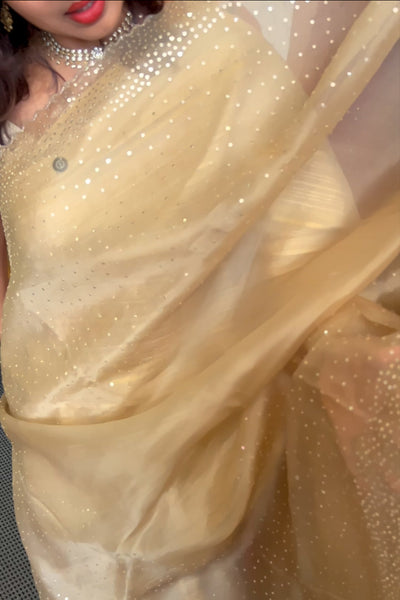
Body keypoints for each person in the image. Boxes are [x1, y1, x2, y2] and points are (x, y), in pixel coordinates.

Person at [0, 1, 399, 598]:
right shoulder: (6, 108)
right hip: (83, 483)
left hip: (230, 438)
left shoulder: (213, 38)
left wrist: (344, 360)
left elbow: (307, 236)